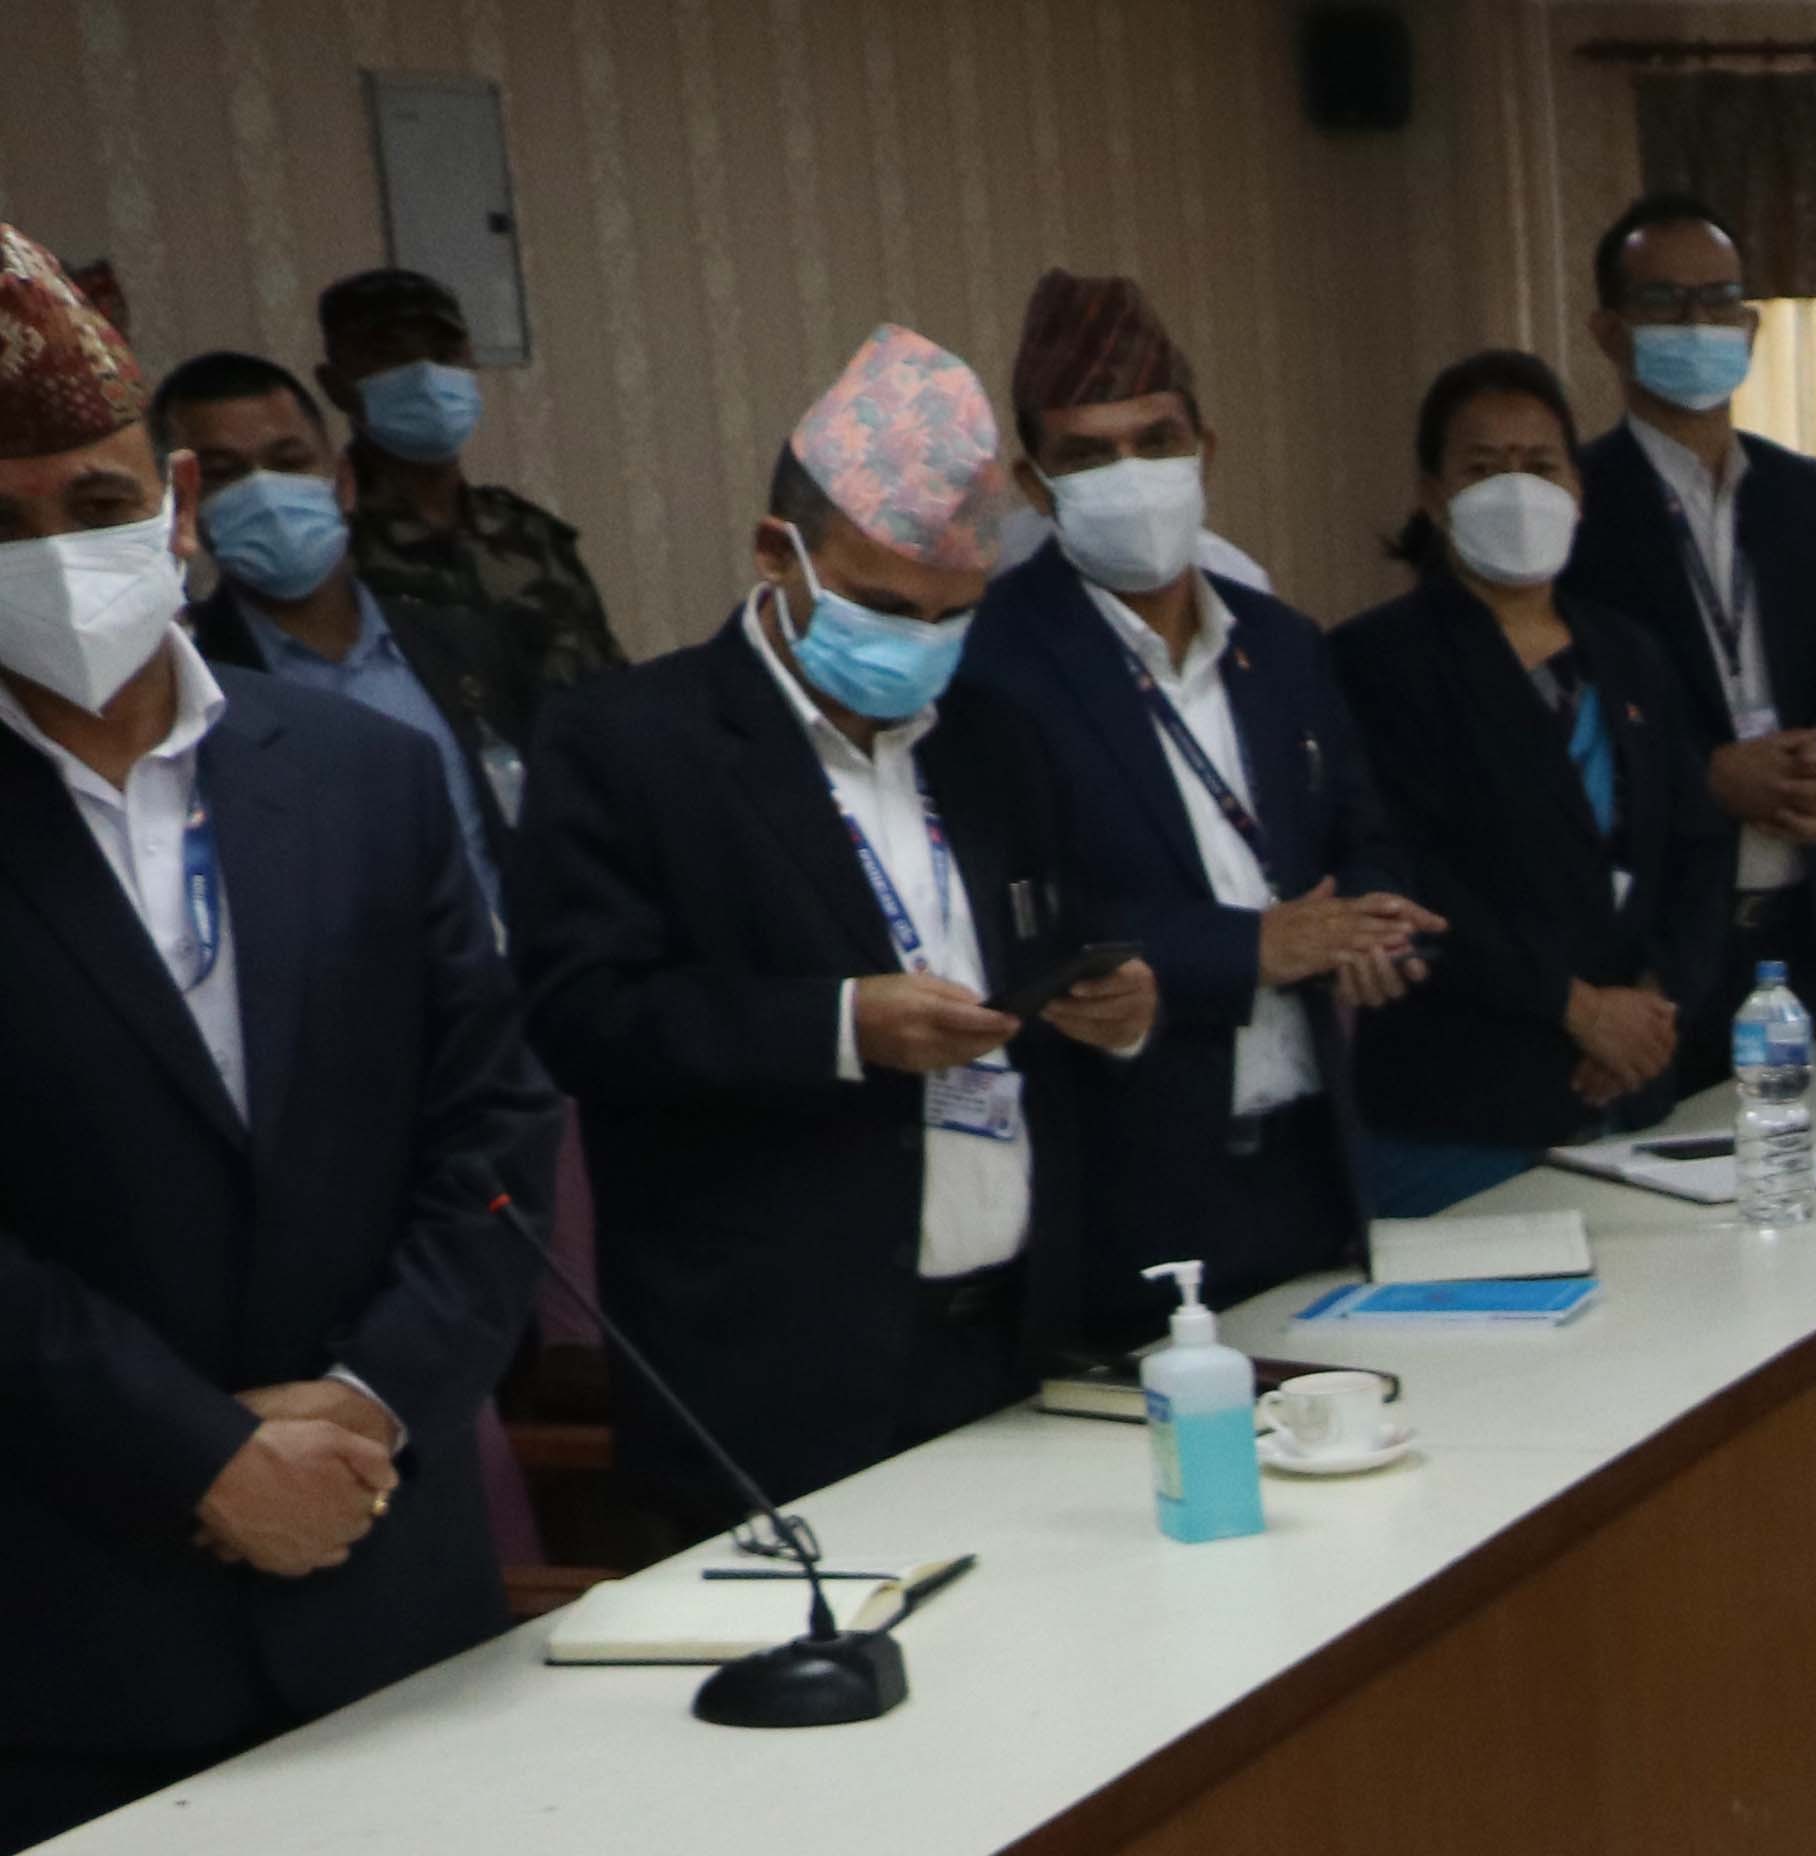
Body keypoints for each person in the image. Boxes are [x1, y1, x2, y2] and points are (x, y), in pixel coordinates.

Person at [0, 226, 554, 1856]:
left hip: (393, 1583)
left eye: (94, 505)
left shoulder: (365, 776)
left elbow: (494, 1130)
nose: (56, 556)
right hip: (77, 1638)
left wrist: (373, 1404)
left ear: (176, 509)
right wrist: (204, 1457)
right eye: (3, 526)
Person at [510, 325, 1152, 1523]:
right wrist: (842, 1026)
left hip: (1012, 1341)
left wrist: (1113, 1009)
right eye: (882, 604)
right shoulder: (629, 741)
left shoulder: (998, 740)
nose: (916, 643)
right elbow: (580, 1015)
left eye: (951, 615)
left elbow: (1057, 945)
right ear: (777, 552)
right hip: (770, 1373)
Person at [957, 271, 1433, 1327]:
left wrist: (1374, 925)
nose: (1131, 475)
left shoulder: (1283, 644)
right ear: (1035, 483)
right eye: (1089, 454)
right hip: (1133, 1191)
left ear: (1205, 449)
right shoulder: (991, 666)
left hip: (1313, 1162)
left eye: (1156, 441)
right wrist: (1253, 948)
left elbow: (1363, 832)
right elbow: (1018, 924)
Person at [1563, 190, 1816, 1031]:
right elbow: (1565, 726)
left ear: (1749, 326)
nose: (1698, 323)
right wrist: (1705, 779)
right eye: (1665, 301)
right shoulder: (1576, 502)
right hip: (1663, 945)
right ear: (1608, 330)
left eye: (1719, 300)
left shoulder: (1798, 492)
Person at [1327, 350, 1718, 1215]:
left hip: (1634, 1086)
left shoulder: (1630, 653)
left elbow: (1696, 847)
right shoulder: (1376, 660)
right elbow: (1410, 873)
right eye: (1483, 468)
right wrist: (1576, 1010)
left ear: (1577, 487)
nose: (1516, 489)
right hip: (1460, 1109)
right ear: (1433, 495)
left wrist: (1650, 1007)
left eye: (1539, 465)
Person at [148, 346, 533, 935]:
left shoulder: (468, 645)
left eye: (289, 461)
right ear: (183, 509)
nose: (264, 492)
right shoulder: (186, 687)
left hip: (504, 980)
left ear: (344, 483)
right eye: (224, 473)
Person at [312, 264, 617, 722]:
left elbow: (610, 692)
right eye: (389, 356)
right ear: (336, 386)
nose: (424, 374)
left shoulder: (531, 535)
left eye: (443, 353)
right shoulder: (324, 550)